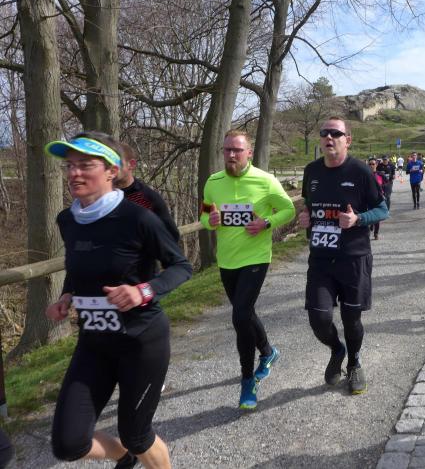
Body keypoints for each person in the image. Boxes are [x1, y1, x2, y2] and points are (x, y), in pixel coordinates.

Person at [44, 132, 192, 469]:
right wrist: (67, 294)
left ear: (112, 170)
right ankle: (125, 456)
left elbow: (181, 267)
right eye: (70, 165)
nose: (74, 173)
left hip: (141, 341)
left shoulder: (138, 218)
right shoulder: (68, 220)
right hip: (94, 342)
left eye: (86, 165)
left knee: (137, 434)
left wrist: (142, 291)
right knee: (68, 443)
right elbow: (80, 265)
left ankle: (135, 449)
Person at [200, 130, 296, 409]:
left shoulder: (265, 181)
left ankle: (247, 380)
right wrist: (210, 221)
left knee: (240, 315)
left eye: (237, 150)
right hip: (226, 260)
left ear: (249, 153)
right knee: (245, 313)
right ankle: (268, 352)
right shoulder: (213, 182)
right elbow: (204, 216)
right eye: (227, 150)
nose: (231, 155)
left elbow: (288, 210)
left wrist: (266, 223)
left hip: (256, 258)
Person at [298, 116, 389, 394]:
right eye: (324, 132)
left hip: (353, 258)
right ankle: (337, 350)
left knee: (352, 319)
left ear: (347, 140)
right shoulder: (312, 171)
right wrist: (305, 216)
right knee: (319, 318)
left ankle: (354, 363)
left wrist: (358, 219)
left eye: (335, 133)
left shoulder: (360, 171)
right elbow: (307, 203)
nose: (329, 137)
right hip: (321, 259)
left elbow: (382, 209)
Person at [114, 141, 180, 241]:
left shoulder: (148, 198)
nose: (113, 168)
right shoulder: (103, 196)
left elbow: (172, 235)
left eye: (117, 162)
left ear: (131, 164)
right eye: (108, 163)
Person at [368, 158, 385, 239]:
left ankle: (376, 233)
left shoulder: (380, 174)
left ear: (376, 165)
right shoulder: (366, 174)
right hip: (368, 199)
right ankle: (370, 228)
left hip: (378, 198)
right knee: (369, 216)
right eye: (370, 164)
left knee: (377, 217)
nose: (371, 166)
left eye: (373, 164)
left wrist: (384, 193)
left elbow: (387, 183)